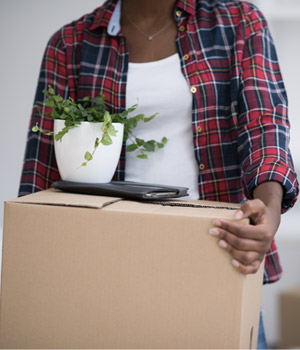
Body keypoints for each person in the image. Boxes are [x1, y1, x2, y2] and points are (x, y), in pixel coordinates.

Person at [18, 0, 299, 348]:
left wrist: (268, 209)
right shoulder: (71, 44)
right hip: (108, 268)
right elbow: (41, 170)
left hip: (217, 255)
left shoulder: (238, 21)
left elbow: (264, 123)